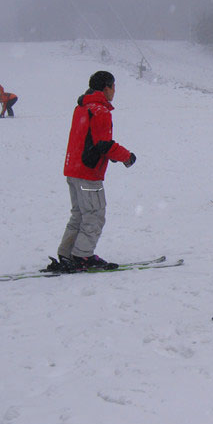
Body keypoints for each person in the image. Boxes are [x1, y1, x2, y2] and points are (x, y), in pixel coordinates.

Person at [44, 71, 136, 273]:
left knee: (79, 214)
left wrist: (108, 153)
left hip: (73, 170)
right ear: (106, 88)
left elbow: (91, 141)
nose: (114, 91)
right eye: (113, 86)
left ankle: (67, 252)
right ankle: (83, 255)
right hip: (88, 174)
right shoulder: (100, 110)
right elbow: (103, 144)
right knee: (94, 214)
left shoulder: (82, 108)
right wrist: (126, 156)